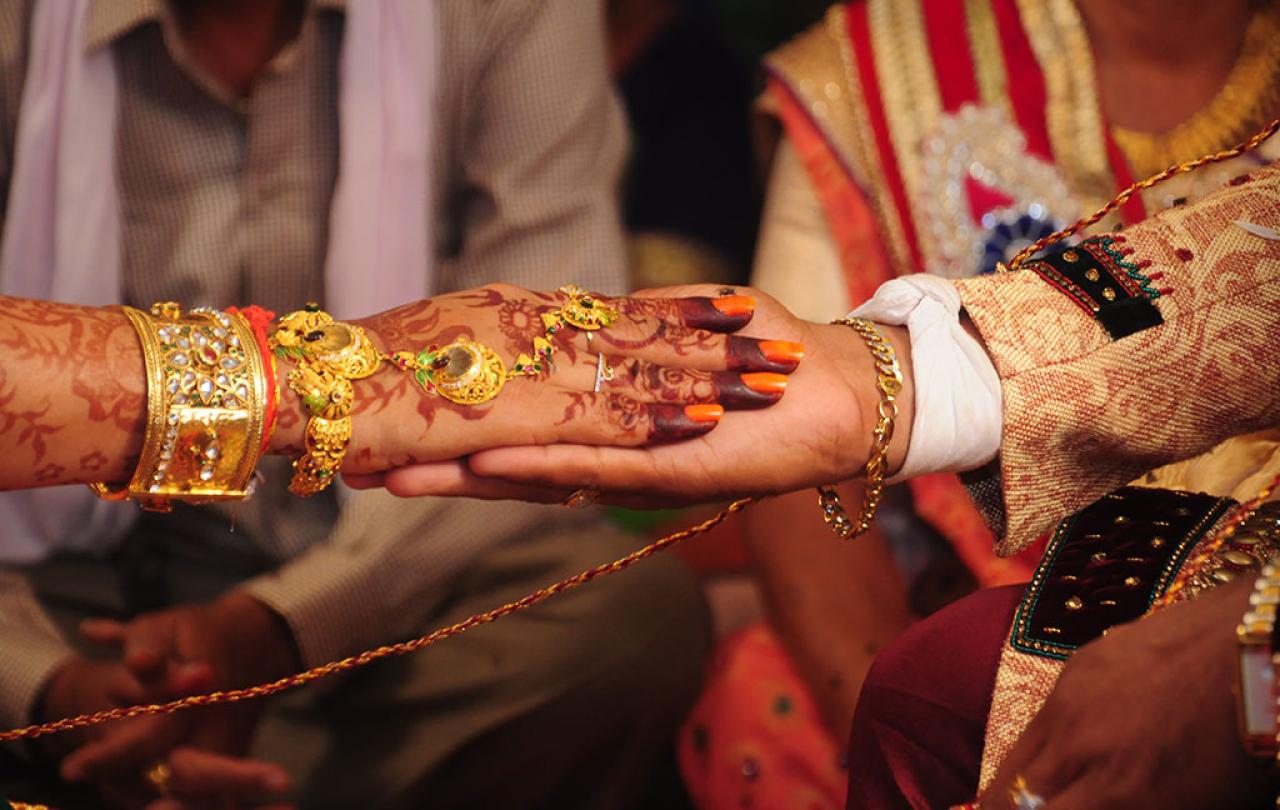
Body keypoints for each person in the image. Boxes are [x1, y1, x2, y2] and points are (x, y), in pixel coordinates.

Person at [0, 1, 735, 807]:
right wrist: (45, 685)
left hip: (386, 582)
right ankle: (129, 749)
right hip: (66, 581)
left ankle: (165, 768)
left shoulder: (505, 14)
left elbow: (556, 385)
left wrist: (288, 624)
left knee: (627, 625)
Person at [380, 149, 1280, 806]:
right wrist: (874, 376)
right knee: (929, 685)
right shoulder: (866, 71)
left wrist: (1244, 648)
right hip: (969, 564)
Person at [678, 0, 1280, 804]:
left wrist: (1245, 650)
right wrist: (905, 730)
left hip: (1248, 602)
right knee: (828, 695)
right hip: (993, 601)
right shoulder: (880, 71)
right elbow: (793, 449)